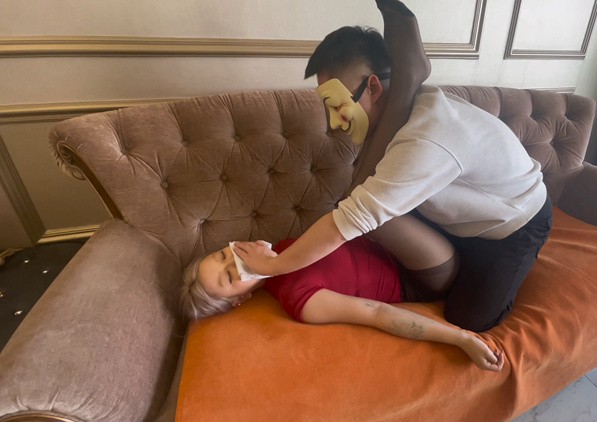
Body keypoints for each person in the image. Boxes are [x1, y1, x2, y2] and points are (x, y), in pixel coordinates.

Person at [235, 0, 553, 332]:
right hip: (458, 213)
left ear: (373, 87)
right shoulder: (399, 121)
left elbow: (348, 218)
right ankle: (409, 72)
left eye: (337, 105)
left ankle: (513, 271)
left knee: (468, 318)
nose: (334, 122)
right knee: (371, 206)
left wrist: (273, 266)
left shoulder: (424, 138)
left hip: (513, 224)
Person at [179, 238, 503, 372]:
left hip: (405, 244)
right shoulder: (301, 300)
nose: (235, 259)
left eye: (222, 254)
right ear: (241, 299)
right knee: (376, 204)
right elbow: (379, 314)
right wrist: (460, 338)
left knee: (378, 201)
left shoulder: (284, 247)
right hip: (421, 274)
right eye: (231, 275)